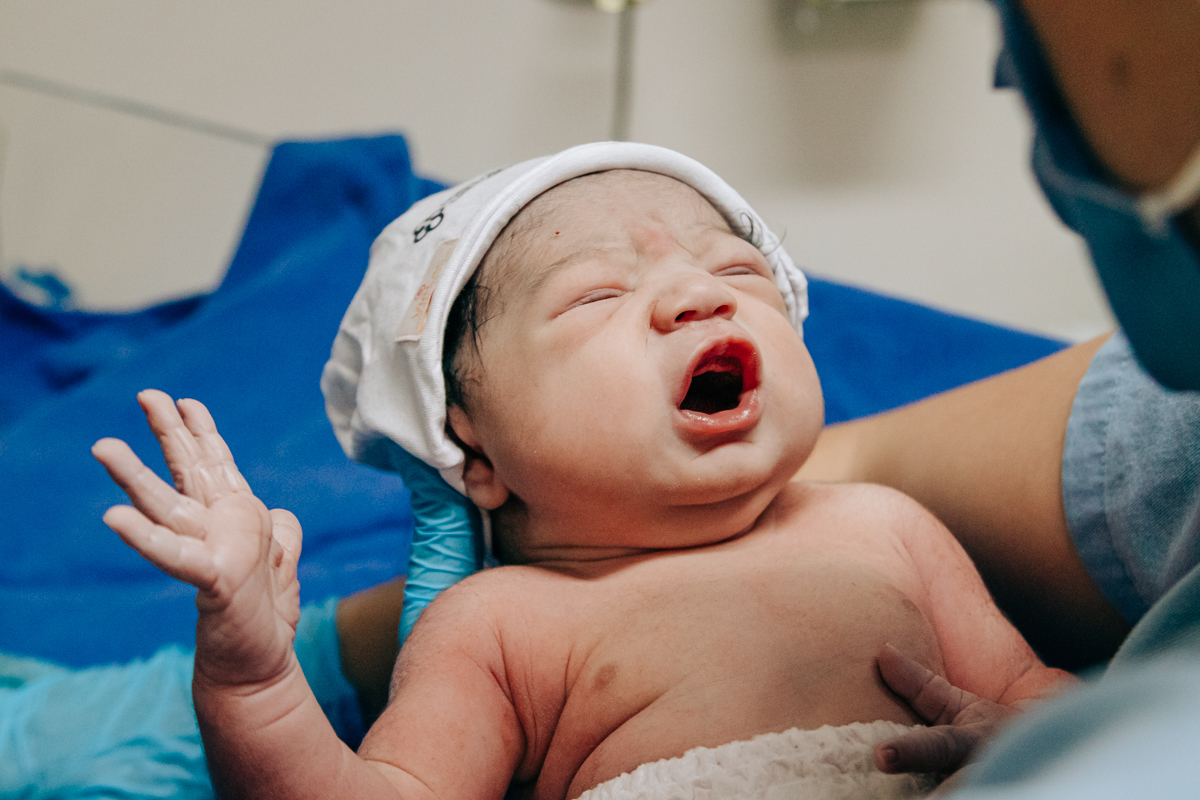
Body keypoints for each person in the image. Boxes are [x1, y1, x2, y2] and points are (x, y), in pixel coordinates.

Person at [91, 146, 1075, 800]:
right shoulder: (502, 624)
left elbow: (1035, 690)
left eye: (737, 273)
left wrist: (1032, 744)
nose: (696, 296)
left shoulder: (885, 526)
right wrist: (254, 675)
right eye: (597, 294)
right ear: (473, 452)